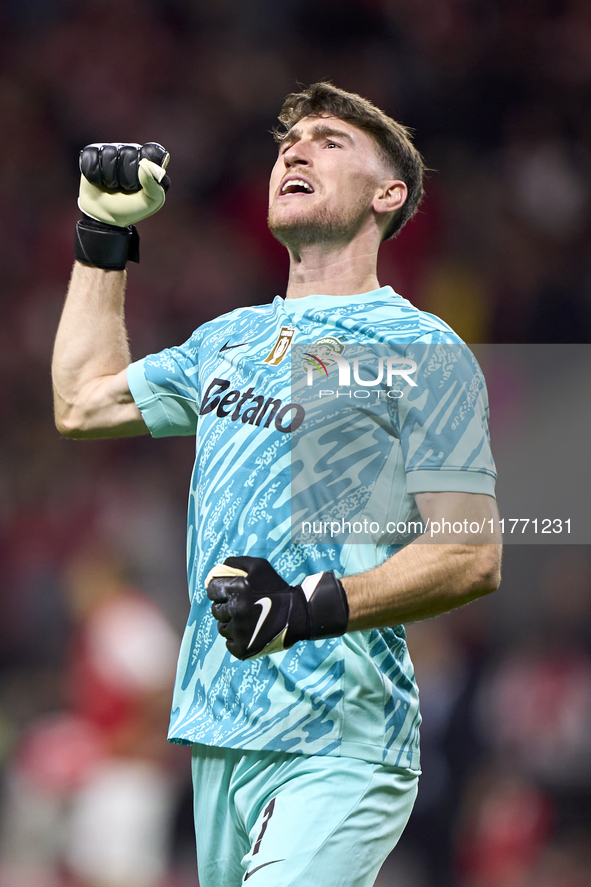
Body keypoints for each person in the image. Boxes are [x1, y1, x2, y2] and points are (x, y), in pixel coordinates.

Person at [52, 82, 502, 887]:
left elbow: (470, 552)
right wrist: (102, 235)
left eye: (330, 141)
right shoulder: (227, 338)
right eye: (288, 141)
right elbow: (83, 401)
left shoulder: (419, 348)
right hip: (220, 730)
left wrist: (305, 606)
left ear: (387, 195)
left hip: (341, 735)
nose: (294, 150)